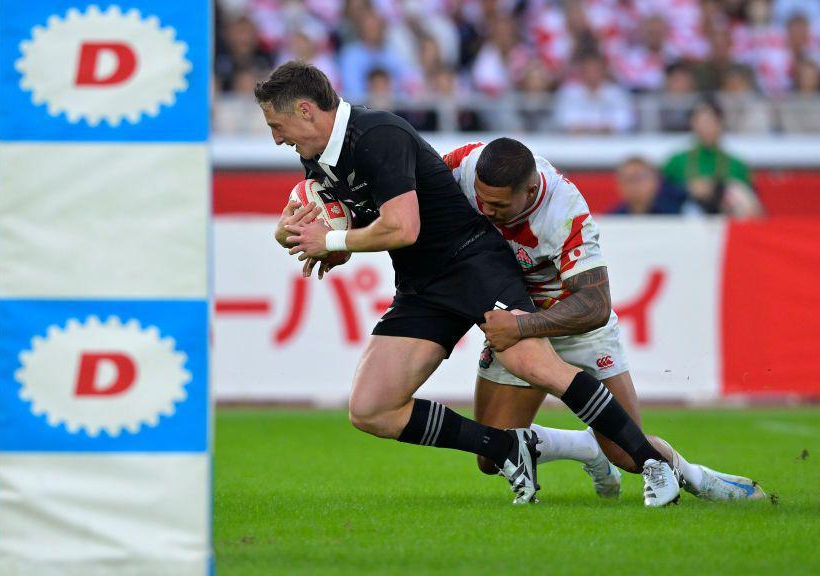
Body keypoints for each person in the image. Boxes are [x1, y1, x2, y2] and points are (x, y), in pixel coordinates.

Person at [256, 60, 680, 506]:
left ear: (306, 110)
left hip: (472, 265)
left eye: (277, 125)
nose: (277, 138)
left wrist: (334, 238)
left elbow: (403, 228)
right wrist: (307, 238)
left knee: (537, 367)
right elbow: (347, 220)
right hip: (421, 284)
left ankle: (650, 462)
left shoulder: (378, 133)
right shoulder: (318, 157)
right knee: (370, 408)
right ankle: (505, 447)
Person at [444, 137, 766, 502]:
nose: (484, 209)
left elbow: (594, 305)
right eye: (480, 199)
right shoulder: (466, 164)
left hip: (572, 325)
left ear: (530, 189)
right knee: (490, 455)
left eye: (498, 204)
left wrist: (519, 326)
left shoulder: (564, 211)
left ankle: (703, 479)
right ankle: (584, 447)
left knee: (628, 453)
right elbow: (414, 188)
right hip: (518, 319)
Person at [661, 100, 763, 218]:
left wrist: (720, 189)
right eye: (700, 121)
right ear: (692, 124)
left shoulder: (737, 164)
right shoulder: (676, 161)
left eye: (710, 121)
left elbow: (751, 203)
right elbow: (662, 193)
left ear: (720, 123)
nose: (705, 127)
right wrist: (687, 188)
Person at [612, 157, 686, 215]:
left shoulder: (676, 216)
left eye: (638, 179)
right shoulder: (611, 220)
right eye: (627, 180)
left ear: (655, 182)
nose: (633, 185)